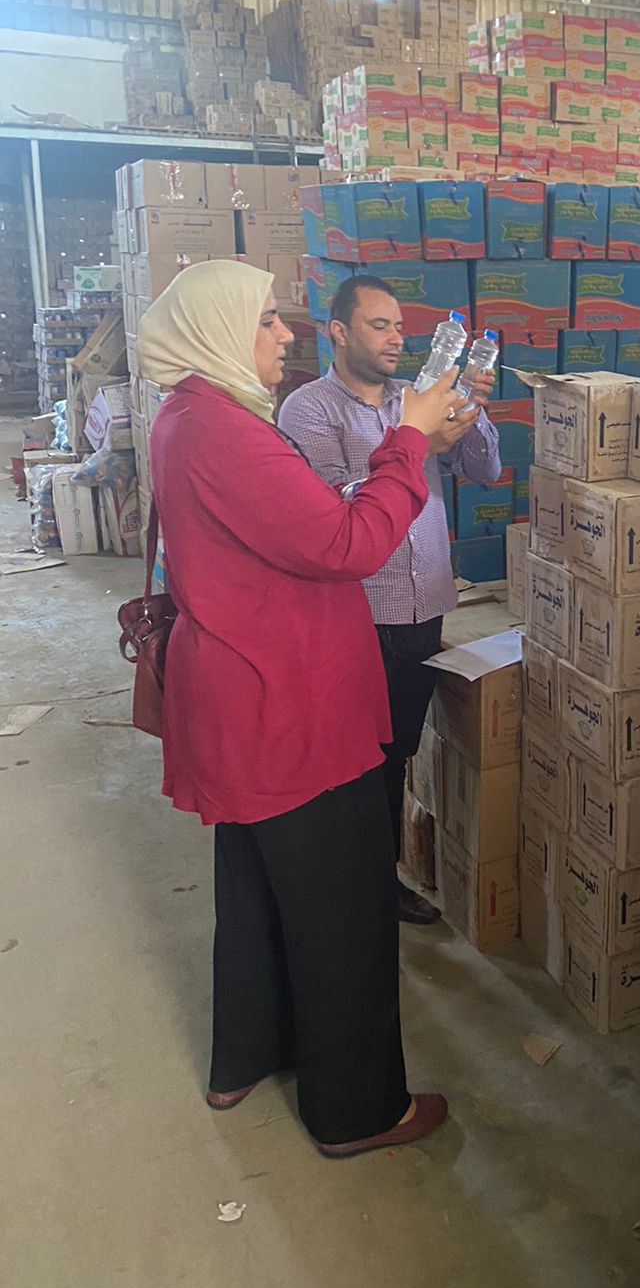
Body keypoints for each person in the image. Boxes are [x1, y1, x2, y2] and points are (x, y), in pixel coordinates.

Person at [138, 259, 462, 1157]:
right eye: (268, 318)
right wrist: (408, 441)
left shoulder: (191, 416)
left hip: (245, 698)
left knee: (257, 892)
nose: (287, 333)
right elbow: (348, 543)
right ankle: (358, 1110)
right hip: (289, 706)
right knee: (344, 910)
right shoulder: (227, 432)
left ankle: (251, 1052)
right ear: (218, 330)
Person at [279, 275, 502, 924]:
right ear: (338, 332)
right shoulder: (308, 410)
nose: (395, 339)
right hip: (356, 613)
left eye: (400, 327)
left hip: (423, 604)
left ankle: (380, 878)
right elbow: (329, 511)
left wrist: (471, 411)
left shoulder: (417, 397)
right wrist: (414, 444)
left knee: (398, 750)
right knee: (352, 759)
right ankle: (350, 890)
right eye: (379, 326)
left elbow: (485, 471)